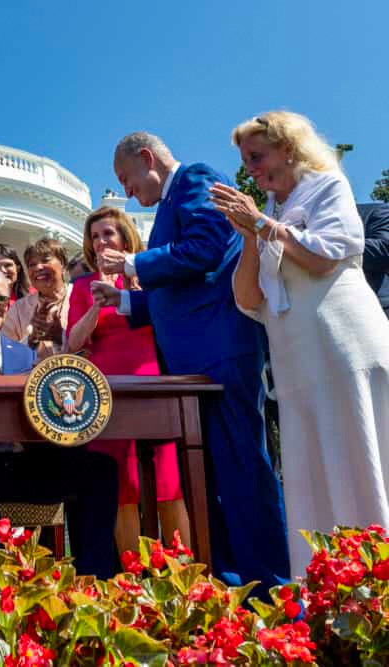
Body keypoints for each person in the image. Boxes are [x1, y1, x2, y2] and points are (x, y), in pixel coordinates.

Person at [91, 131, 289, 593]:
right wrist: (125, 301)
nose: (127, 192)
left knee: (241, 469)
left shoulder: (197, 179)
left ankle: (274, 588)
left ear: (147, 158)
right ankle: (232, 584)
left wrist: (136, 264)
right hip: (195, 363)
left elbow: (205, 250)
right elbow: (181, 290)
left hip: (221, 353)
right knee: (210, 478)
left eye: (127, 178)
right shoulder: (168, 205)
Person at [212, 111, 389, 574]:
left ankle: (377, 575)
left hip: (342, 342)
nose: (249, 168)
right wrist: (251, 236)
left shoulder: (327, 186)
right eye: (245, 159)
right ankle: (329, 585)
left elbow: (324, 257)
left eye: (256, 155)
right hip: (296, 362)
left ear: (288, 148)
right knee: (312, 466)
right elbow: (249, 299)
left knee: (358, 448)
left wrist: (265, 227)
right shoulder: (268, 212)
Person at [0, 268, 119, 578]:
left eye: (2, 299)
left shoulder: (25, 356)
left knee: (100, 470)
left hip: (18, 462)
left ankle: (93, 583)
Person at [66, 206, 190, 554]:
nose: (101, 241)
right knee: (121, 486)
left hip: (152, 385)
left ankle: (186, 577)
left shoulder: (150, 275)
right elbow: (74, 342)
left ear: (125, 237)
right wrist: (96, 302)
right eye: (95, 236)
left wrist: (132, 287)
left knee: (168, 484)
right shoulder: (81, 287)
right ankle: (132, 582)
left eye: (108, 233)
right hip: (107, 391)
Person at [3, 238, 72, 356]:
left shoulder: (82, 296)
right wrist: (32, 339)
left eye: (45, 260)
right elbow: (7, 354)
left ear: (64, 265)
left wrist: (61, 337)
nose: (38, 268)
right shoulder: (18, 309)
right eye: (31, 264)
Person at [359, 202, 389, 317]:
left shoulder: (376, 210)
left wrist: (329, 248)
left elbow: (384, 247)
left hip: (377, 308)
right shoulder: (306, 226)